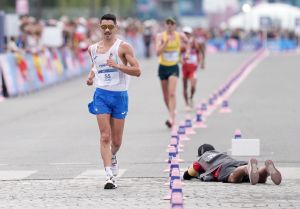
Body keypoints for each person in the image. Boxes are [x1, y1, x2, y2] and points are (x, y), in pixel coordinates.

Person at [86, 14, 141, 189]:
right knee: (104, 136)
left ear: (116, 27)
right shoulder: (92, 49)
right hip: (101, 94)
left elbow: (137, 70)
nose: (107, 30)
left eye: (110, 27)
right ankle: (109, 176)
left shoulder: (123, 47)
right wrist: (91, 76)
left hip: (120, 96)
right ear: (99, 28)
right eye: (104, 27)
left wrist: (118, 66)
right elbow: (96, 65)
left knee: (116, 141)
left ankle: (113, 155)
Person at [183, 144, 282, 185]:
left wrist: (187, 174)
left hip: (221, 168)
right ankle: (266, 169)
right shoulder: (221, 154)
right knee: (260, 179)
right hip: (236, 162)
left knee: (233, 178)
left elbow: (190, 173)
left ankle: (246, 169)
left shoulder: (202, 158)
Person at [155, 17, 188, 128]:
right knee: (165, 96)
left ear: (175, 25)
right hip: (163, 67)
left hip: (174, 66)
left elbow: (188, 43)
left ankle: (171, 118)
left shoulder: (180, 36)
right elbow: (157, 52)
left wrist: (185, 55)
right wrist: (165, 43)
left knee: (172, 93)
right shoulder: (160, 36)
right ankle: (172, 112)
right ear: (165, 25)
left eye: (172, 23)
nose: (169, 25)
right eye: (167, 23)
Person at [181, 26, 205, 111]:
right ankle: (186, 104)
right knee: (184, 86)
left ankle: (191, 97)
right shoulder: (181, 43)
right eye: (184, 33)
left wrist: (202, 62)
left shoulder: (195, 42)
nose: (185, 35)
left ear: (190, 34)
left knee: (193, 86)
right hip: (184, 67)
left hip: (193, 67)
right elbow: (177, 53)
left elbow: (201, 52)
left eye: (187, 33)